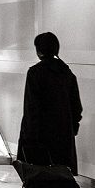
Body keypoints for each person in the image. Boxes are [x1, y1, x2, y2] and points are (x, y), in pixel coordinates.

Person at [17, 32, 83, 175]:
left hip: (40, 137)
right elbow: (76, 106)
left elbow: (31, 108)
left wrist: (29, 137)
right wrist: (72, 128)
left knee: (40, 177)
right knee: (61, 176)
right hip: (63, 136)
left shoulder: (35, 73)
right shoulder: (67, 73)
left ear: (39, 51)